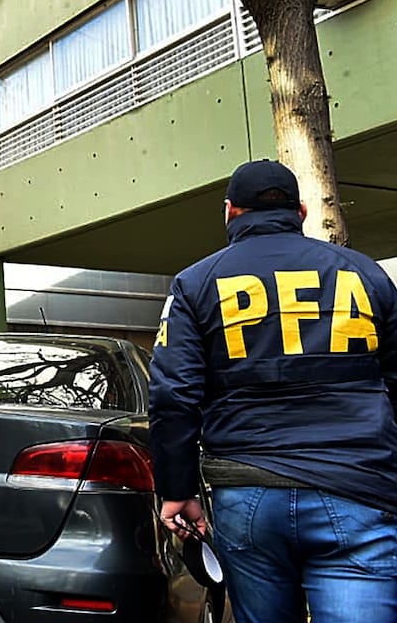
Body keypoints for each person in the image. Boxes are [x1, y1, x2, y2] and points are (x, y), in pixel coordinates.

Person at [149, 158, 397, 622]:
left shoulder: (196, 283)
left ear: (229, 212)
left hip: (247, 490)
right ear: (301, 211)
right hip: (358, 487)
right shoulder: (366, 275)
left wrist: (177, 489)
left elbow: (171, 395)